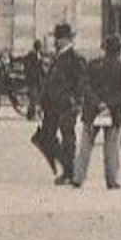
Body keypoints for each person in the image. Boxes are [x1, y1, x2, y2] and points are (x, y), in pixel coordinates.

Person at [73, 35, 121, 190]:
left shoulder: (93, 65)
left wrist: (98, 103)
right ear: (119, 50)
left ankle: (79, 177)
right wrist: (108, 105)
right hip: (113, 112)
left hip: (92, 110)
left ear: (104, 49)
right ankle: (111, 180)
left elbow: (85, 86)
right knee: (112, 148)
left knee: (85, 145)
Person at [37, 23, 86, 185]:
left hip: (65, 105)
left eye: (58, 39)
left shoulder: (74, 57)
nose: (55, 42)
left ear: (65, 40)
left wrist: (76, 102)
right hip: (51, 106)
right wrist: (41, 102)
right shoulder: (57, 57)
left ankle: (69, 172)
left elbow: (81, 82)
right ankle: (67, 167)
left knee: (67, 138)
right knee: (45, 137)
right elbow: (49, 82)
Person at [22, 40, 45, 121]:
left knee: (36, 97)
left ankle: (32, 114)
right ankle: (31, 115)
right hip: (33, 80)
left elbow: (40, 67)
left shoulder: (38, 55)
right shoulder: (31, 55)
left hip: (38, 80)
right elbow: (28, 67)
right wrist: (33, 75)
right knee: (33, 98)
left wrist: (44, 75)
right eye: (40, 47)